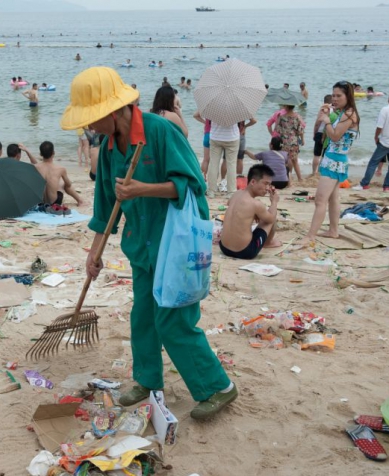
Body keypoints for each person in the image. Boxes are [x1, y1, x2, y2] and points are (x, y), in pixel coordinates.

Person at [61, 66, 236, 420]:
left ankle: (218, 387)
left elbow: (192, 185)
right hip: (140, 245)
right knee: (143, 315)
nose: (90, 128)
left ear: (111, 112)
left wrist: (143, 189)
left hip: (175, 247)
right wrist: (94, 254)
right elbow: (105, 207)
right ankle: (147, 379)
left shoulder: (160, 132)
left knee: (173, 321)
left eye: (92, 120)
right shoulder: (110, 148)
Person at [303, 81, 360, 243]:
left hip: (335, 161)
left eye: (338, 96)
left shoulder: (349, 114)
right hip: (332, 159)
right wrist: (325, 116)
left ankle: (310, 236)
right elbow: (327, 134)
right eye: (333, 95)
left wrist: (327, 119)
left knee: (320, 200)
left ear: (348, 96)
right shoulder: (343, 112)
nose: (334, 99)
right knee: (333, 198)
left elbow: (335, 136)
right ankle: (333, 230)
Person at [219, 164, 281, 259]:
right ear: (253, 182)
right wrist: (274, 202)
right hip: (245, 252)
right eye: (266, 183)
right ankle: (268, 243)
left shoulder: (236, 194)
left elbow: (232, 205)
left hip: (224, 248)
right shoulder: (255, 204)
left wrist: (253, 213)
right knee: (270, 219)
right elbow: (271, 219)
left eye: (269, 184)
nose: (268, 188)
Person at [355, 87, 389, 192]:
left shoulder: (385, 109)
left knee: (373, 163)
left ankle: (365, 184)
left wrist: (376, 137)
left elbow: (379, 126)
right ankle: (387, 186)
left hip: (385, 142)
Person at [33, 141, 84, 207]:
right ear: (53, 153)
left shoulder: (34, 167)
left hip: (40, 203)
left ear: (40, 153)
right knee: (63, 183)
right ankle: (80, 201)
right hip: (55, 203)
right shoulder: (60, 169)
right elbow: (68, 185)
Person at [208, 121, 240, 196]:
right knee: (231, 164)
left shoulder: (213, 108)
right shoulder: (236, 109)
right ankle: (231, 192)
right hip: (232, 137)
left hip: (215, 136)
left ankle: (211, 191)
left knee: (213, 163)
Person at [275, 105, 305, 182]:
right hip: (294, 141)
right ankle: (300, 178)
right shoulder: (297, 116)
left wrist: (277, 120)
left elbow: (277, 130)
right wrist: (302, 140)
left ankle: (287, 178)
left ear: (287, 107)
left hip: (284, 142)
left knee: (286, 160)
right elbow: (300, 131)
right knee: (295, 161)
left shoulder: (281, 117)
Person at [312, 94, 334, 175]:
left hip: (320, 132)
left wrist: (314, 133)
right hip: (329, 133)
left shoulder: (322, 109)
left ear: (324, 101)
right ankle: (321, 172)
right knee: (325, 155)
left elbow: (318, 123)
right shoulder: (334, 110)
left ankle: (314, 172)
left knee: (316, 154)